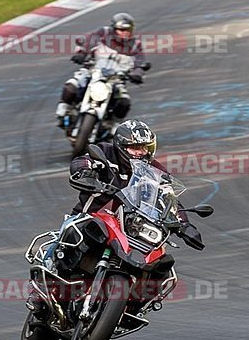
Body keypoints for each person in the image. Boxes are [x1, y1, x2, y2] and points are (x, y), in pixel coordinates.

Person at [27, 120, 204, 317]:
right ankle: (43, 281)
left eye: (144, 148)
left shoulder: (157, 171)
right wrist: (84, 171)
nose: (140, 152)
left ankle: (133, 306)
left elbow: (170, 198)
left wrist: (184, 225)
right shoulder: (105, 152)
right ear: (121, 145)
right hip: (94, 214)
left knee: (160, 260)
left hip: (131, 225)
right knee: (72, 230)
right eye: (134, 147)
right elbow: (83, 160)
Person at [55, 13, 149, 130]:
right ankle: (64, 110)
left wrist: (137, 74)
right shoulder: (103, 33)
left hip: (116, 80)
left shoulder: (135, 45)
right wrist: (81, 53)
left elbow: (140, 61)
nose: (125, 32)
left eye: (128, 30)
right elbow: (87, 41)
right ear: (114, 29)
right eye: (121, 30)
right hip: (92, 71)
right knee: (72, 85)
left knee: (124, 102)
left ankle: (114, 124)